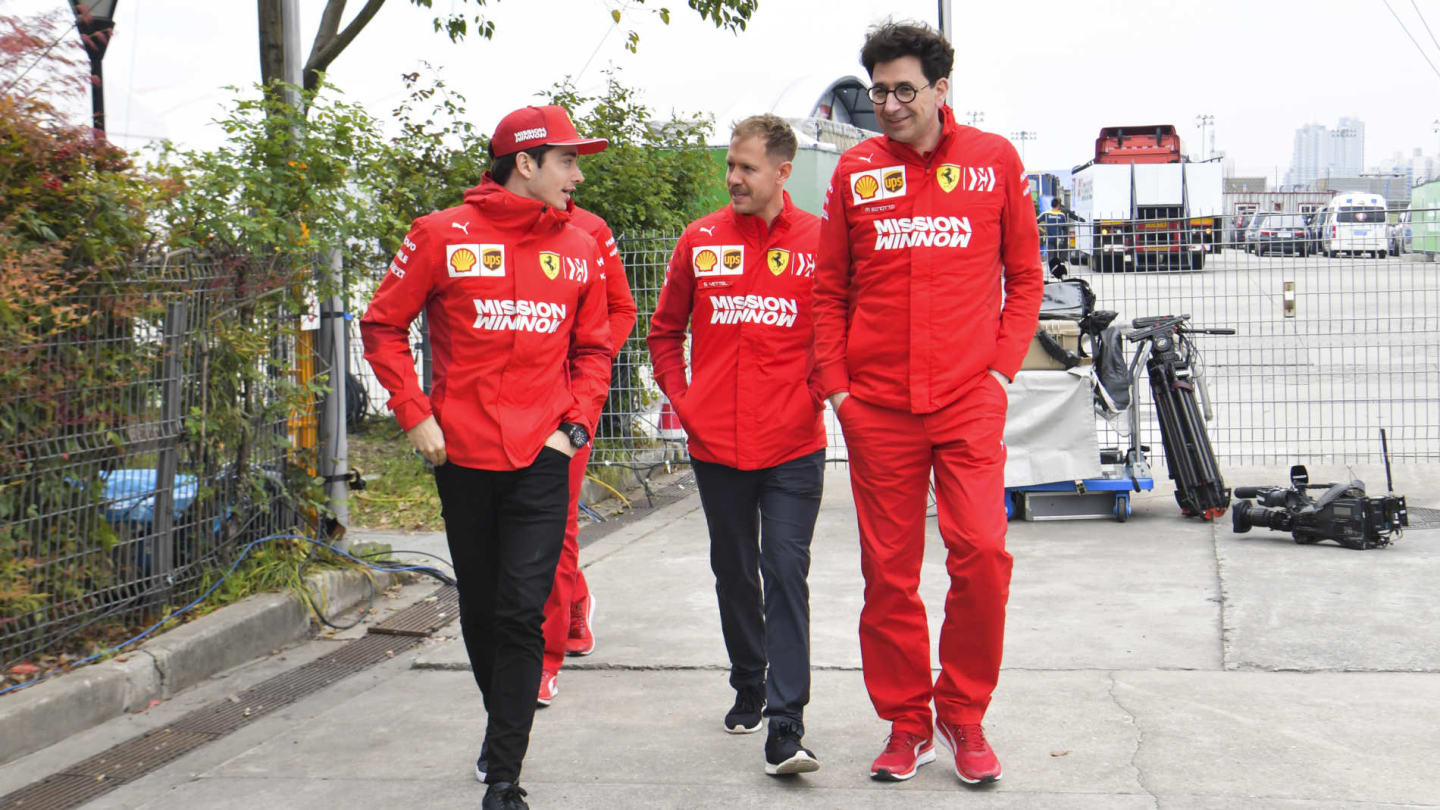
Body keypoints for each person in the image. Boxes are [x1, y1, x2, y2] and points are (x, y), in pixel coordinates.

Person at [361, 104, 614, 810]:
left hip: (543, 453)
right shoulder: (441, 234)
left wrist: (577, 425)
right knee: (480, 605)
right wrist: (414, 412)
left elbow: (594, 346)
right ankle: (501, 724)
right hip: (463, 455)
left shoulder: (582, 244)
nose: (578, 172)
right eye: (566, 159)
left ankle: (505, 775)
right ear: (525, 163)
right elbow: (382, 324)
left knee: (521, 611)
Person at [812, 22, 1043, 786]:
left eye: (903, 89)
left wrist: (1002, 374)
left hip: (969, 399)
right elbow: (829, 290)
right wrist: (839, 389)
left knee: (982, 553)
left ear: (942, 90)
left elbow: (1025, 276)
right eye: (878, 90)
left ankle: (965, 715)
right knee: (889, 572)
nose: (888, 103)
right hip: (877, 406)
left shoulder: (994, 163)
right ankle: (908, 721)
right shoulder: (855, 171)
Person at [647, 114, 826, 777]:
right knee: (734, 571)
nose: (733, 179)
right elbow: (664, 332)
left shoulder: (820, 242)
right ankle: (749, 677)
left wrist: (813, 392)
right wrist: (685, 401)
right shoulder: (700, 240)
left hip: (793, 446)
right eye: (730, 165)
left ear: (782, 172)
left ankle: (786, 725)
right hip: (716, 444)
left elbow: (843, 328)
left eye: (747, 168)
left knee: (784, 571)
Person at [537, 201, 636, 705]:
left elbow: (622, 309)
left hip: (570, 404)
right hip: (506, 405)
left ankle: (544, 659)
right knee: (521, 527)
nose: (575, 175)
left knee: (558, 521)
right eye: (567, 160)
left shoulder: (592, 229)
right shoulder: (476, 230)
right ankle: (574, 598)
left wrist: (586, 362)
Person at [1037, 197, 1070, 270]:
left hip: (1049, 239)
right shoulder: (1062, 215)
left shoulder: (1046, 214)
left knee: (1051, 256)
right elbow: (1065, 228)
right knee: (1058, 256)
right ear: (1058, 205)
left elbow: (1035, 222)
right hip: (1059, 239)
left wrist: (1042, 230)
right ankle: (1058, 270)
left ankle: (1052, 271)